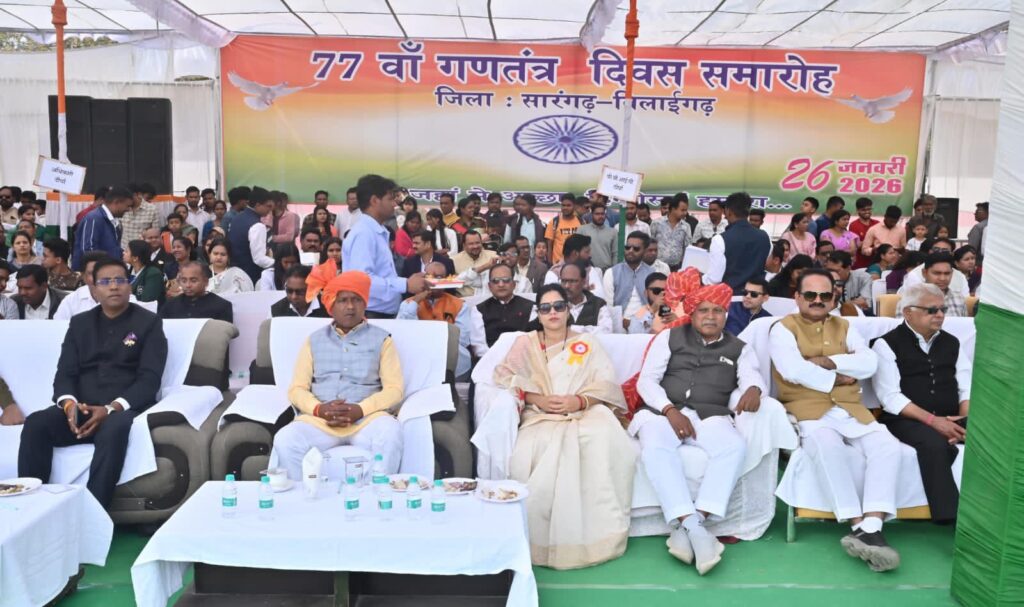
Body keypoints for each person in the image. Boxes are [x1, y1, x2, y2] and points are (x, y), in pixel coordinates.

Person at [490, 284, 635, 569]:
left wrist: (579, 401)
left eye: (559, 306)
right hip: (540, 413)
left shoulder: (587, 343)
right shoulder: (526, 343)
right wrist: (538, 399)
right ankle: (537, 540)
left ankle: (596, 537)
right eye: (546, 308)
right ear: (538, 313)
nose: (553, 313)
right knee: (534, 446)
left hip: (584, 410)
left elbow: (606, 383)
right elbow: (505, 376)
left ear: (568, 311)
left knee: (602, 435)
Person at [769, 268, 902, 572]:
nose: (818, 300)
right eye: (810, 294)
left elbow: (868, 363)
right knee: (827, 446)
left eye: (825, 295)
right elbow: (792, 370)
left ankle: (871, 525)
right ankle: (857, 524)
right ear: (797, 297)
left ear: (833, 298)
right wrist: (838, 377)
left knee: (888, 446)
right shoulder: (782, 328)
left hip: (851, 409)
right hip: (808, 409)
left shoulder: (845, 326)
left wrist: (827, 361)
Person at [635, 281, 763, 574]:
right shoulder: (670, 337)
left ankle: (693, 524)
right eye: (703, 310)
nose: (710, 316)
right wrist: (669, 410)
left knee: (734, 447)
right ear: (692, 313)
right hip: (662, 413)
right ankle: (697, 532)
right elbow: (647, 381)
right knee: (655, 448)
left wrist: (755, 389)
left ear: (726, 315)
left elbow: (751, 376)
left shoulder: (739, 348)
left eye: (717, 311)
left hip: (709, 414)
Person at [18, 258, 166, 507]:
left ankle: (94, 512)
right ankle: (31, 507)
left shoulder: (148, 322)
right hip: (80, 409)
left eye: (120, 280)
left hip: (120, 410)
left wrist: (110, 409)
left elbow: (150, 379)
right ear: (93, 288)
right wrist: (69, 405)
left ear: (129, 285)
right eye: (105, 282)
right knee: (36, 423)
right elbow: (65, 373)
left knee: (114, 429)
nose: (114, 286)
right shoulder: (80, 323)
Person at [271, 270, 404, 482]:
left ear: (365, 303)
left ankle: (375, 494)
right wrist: (320, 409)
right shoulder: (313, 340)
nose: (350, 307)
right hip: (321, 421)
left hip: (367, 420)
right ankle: (305, 496)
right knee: (285, 439)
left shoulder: (382, 340)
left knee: (391, 433)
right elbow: (297, 389)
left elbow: (394, 390)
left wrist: (360, 409)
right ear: (331, 305)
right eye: (343, 300)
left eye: (356, 300)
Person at [871, 283, 970, 524]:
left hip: (951, 417)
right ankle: (951, 518)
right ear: (908, 312)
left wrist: (962, 421)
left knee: (991, 436)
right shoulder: (886, 344)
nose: (940, 315)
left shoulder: (952, 342)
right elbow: (890, 397)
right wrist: (934, 422)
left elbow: (966, 386)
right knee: (934, 444)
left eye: (942, 309)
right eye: (932, 310)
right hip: (906, 419)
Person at [342, 174, 427, 318]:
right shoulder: (364, 233)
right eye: (390, 199)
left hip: (380, 313)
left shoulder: (376, 231)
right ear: (375, 200)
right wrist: (406, 284)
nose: (394, 204)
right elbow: (362, 280)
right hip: (371, 314)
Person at [398, 261, 472, 378]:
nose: (432, 281)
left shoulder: (459, 305)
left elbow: (463, 340)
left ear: (446, 280)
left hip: (452, 363)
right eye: (428, 276)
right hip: (418, 360)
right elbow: (403, 334)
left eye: (438, 277)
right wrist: (417, 300)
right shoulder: (408, 304)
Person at [705, 192, 771, 293]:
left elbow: (714, 279)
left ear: (728, 211)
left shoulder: (720, 239)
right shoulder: (764, 237)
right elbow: (769, 267)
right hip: (755, 297)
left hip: (729, 297)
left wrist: (700, 277)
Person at [469, 263, 534, 358]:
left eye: (506, 280)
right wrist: (496, 360)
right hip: (490, 361)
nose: (501, 284)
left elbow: (534, 340)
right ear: (489, 286)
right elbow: (479, 347)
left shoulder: (531, 307)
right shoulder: (478, 310)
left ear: (514, 284)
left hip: (524, 359)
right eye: (495, 281)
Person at [72, 186, 131, 271]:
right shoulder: (94, 218)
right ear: (116, 202)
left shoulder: (114, 221)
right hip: (94, 273)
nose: (129, 209)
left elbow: (113, 248)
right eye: (128, 206)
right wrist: (101, 272)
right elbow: (88, 250)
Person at [227, 186, 275, 284]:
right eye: (268, 206)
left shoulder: (237, 218)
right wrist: (278, 264)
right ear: (258, 205)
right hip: (250, 276)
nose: (270, 210)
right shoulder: (257, 226)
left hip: (233, 273)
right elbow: (259, 259)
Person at [603, 231, 653, 325]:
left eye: (636, 249)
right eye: (627, 247)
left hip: (646, 324)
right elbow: (608, 307)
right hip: (618, 324)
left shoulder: (652, 274)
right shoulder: (611, 273)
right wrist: (623, 322)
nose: (630, 251)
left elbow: (656, 304)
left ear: (645, 251)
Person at [160, 261, 234, 322]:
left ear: (206, 282)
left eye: (193, 281)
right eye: (184, 281)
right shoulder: (170, 306)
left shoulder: (221, 306)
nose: (188, 285)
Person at [898, 252, 966, 317]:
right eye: (937, 273)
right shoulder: (909, 300)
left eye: (947, 273)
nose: (942, 278)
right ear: (924, 273)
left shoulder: (959, 298)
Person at [902, 238, 969, 299]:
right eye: (936, 249)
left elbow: (966, 301)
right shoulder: (914, 275)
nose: (940, 253)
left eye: (944, 251)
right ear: (930, 252)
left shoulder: (960, 277)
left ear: (951, 254)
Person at [559, 262, 612, 334]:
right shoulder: (554, 304)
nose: (567, 286)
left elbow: (607, 330)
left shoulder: (598, 304)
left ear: (583, 282)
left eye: (572, 281)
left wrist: (571, 329)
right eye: (564, 281)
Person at [651, 195, 694, 271]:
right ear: (673, 209)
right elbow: (650, 244)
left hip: (676, 268)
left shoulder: (686, 226)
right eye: (682, 210)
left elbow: (687, 248)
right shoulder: (656, 223)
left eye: (686, 210)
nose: (685, 213)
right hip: (658, 267)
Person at [452, 230, 498, 297]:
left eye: (477, 243)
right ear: (464, 245)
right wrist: (485, 266)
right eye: (471, 244)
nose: (475, 246)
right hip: (463, 300)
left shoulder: (493, 256)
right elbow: (454, 282)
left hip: (488, 300)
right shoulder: (453, 260)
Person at [576, 201, 616, 271]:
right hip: (587, 270)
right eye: (597, 214)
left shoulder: (613, 232)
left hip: (606, 271)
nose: (600, 216)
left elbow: (615, 253)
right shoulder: (582, 230)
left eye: (602, 214)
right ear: (592, 215)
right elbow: (576, 250)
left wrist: (613, 271)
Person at [544, 194, 582, 264]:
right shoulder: (554, 222)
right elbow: (549, 246)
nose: (565, 208)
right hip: (558, 264)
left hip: (577, 263)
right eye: (563, 205)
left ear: (574, 206)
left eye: (568, 205)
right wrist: (550, 264)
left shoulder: (581, 222)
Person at [124, 240, 165, 304]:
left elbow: (147, 301)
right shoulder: (127, 271)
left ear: (135, 258)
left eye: (126, 251)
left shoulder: (153, 274)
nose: (123, 253)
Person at [121, 182, 161, 247]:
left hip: (143, 250)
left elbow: (156, 234)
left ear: (138, 194)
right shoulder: (122, 208)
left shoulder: (152, 209)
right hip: (125, 250)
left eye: (129, 197)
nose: (126, 199)